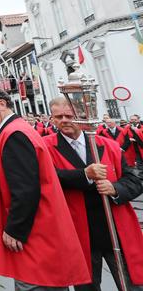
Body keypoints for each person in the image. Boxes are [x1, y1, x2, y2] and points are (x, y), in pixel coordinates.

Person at [0, 87, 91, 290]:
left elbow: (26, 186)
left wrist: (15, 230)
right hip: (36, 230)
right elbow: (10, 172)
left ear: (2, 103)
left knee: (36, 284)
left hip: (34, 233)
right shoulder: (12, 129)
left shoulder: (14, 133)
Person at [45, 97, 143, 290]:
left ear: (81, 117)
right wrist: (84, 175)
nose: (64, 120)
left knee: (132, 285)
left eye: (69, 115)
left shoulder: (108, 145)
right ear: (52, 119)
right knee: (86, 287)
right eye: (59, 116)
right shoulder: (45, 147)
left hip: (115, 229)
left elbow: (134, 180)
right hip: (78, 232)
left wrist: (116, 188)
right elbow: (47, 178)